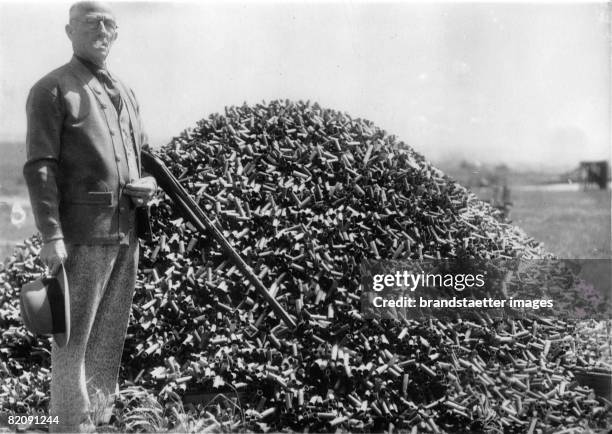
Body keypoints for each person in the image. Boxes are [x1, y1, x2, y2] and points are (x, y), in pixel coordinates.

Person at [23, 2, 156, 431]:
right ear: (69, 31)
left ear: (116, 34)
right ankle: (66, 427)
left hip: (126, 234)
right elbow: (40, 167)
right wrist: (50, 236)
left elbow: (142, 158)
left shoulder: (128, 92)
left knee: (108, 340)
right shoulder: (52, 89)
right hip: (80, 236)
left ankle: (96, 422)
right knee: (72, 345)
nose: (101, 30)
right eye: (90, 22)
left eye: (109, 24)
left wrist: (148, 185)